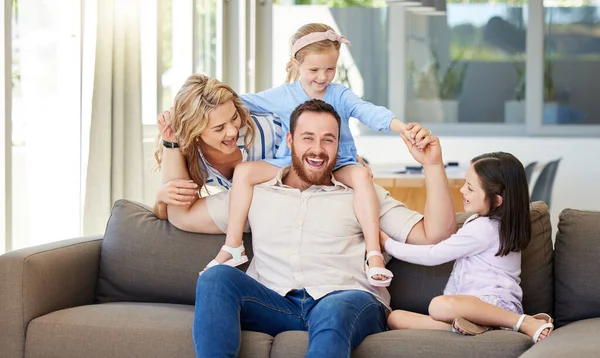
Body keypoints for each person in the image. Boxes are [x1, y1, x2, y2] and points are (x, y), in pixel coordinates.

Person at [191, 99, 456, 357]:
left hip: (346, 302)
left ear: (338, 145)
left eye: (328, 139)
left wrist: (432, 164)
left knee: (336, 306)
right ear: (290, 141)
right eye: (308, 138)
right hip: (274, 303)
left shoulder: (362, 193)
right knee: (215, 278)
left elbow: (435, 235)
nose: (317, 149)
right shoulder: (255, 191)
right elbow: (182, 216)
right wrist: (166, 175)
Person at [209, 23, 416, 286]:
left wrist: (402, 128)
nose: (323, 77)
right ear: (296, 63)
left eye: (330, 69)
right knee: (244, 171)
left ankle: (374, 252)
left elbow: (368, 111)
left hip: (338, 162)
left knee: (362, 175)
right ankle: (233, 245)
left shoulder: (339, 94)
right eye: (314, 70)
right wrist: (195, 104)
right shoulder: (283, 96)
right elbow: (240, 101)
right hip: (292, 163)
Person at [382, 152, 554, 343]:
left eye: (470, 188)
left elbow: (433, 254)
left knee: (438, 306)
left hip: (495, 308)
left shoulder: (484, 228)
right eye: (465, 183)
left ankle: (522, 323)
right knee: (395, 318)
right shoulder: (491, 223)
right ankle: (465, 328)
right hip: (472, 311)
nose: (462, 190)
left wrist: (387, 244)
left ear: (497, 201)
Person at [152, 73, 283, 236]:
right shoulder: (190, 154)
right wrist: (160, 199)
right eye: (219, 128)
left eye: (234, 117)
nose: (233, 131)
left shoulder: (268, 129)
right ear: (196, 132)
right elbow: (176, 213)